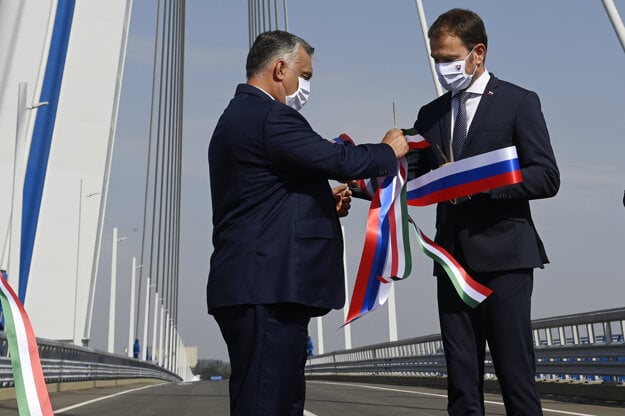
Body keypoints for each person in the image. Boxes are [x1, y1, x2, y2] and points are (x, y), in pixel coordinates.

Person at [207, 30, 408, 416]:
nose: (307, 87)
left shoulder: (238, 117)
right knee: (267, 402)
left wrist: (319, 207)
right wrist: (388, 150)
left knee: (276, 400)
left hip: (255, 284)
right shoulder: (269, 116)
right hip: (268, 289)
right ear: (280, 68)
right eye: (306, 75)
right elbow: (338, 161)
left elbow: (259, 202)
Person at [408, 9, 560, 415]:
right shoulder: (430, 115)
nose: (443, 69)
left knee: (515, 376)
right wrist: (364, 183)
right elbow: (411, 175)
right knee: (461, 383)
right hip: (452, 260)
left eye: (449, 59)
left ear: (478, 52)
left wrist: (481, 184)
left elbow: (546, 176)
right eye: (436, 59)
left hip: (505, 260)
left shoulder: (518, 102)